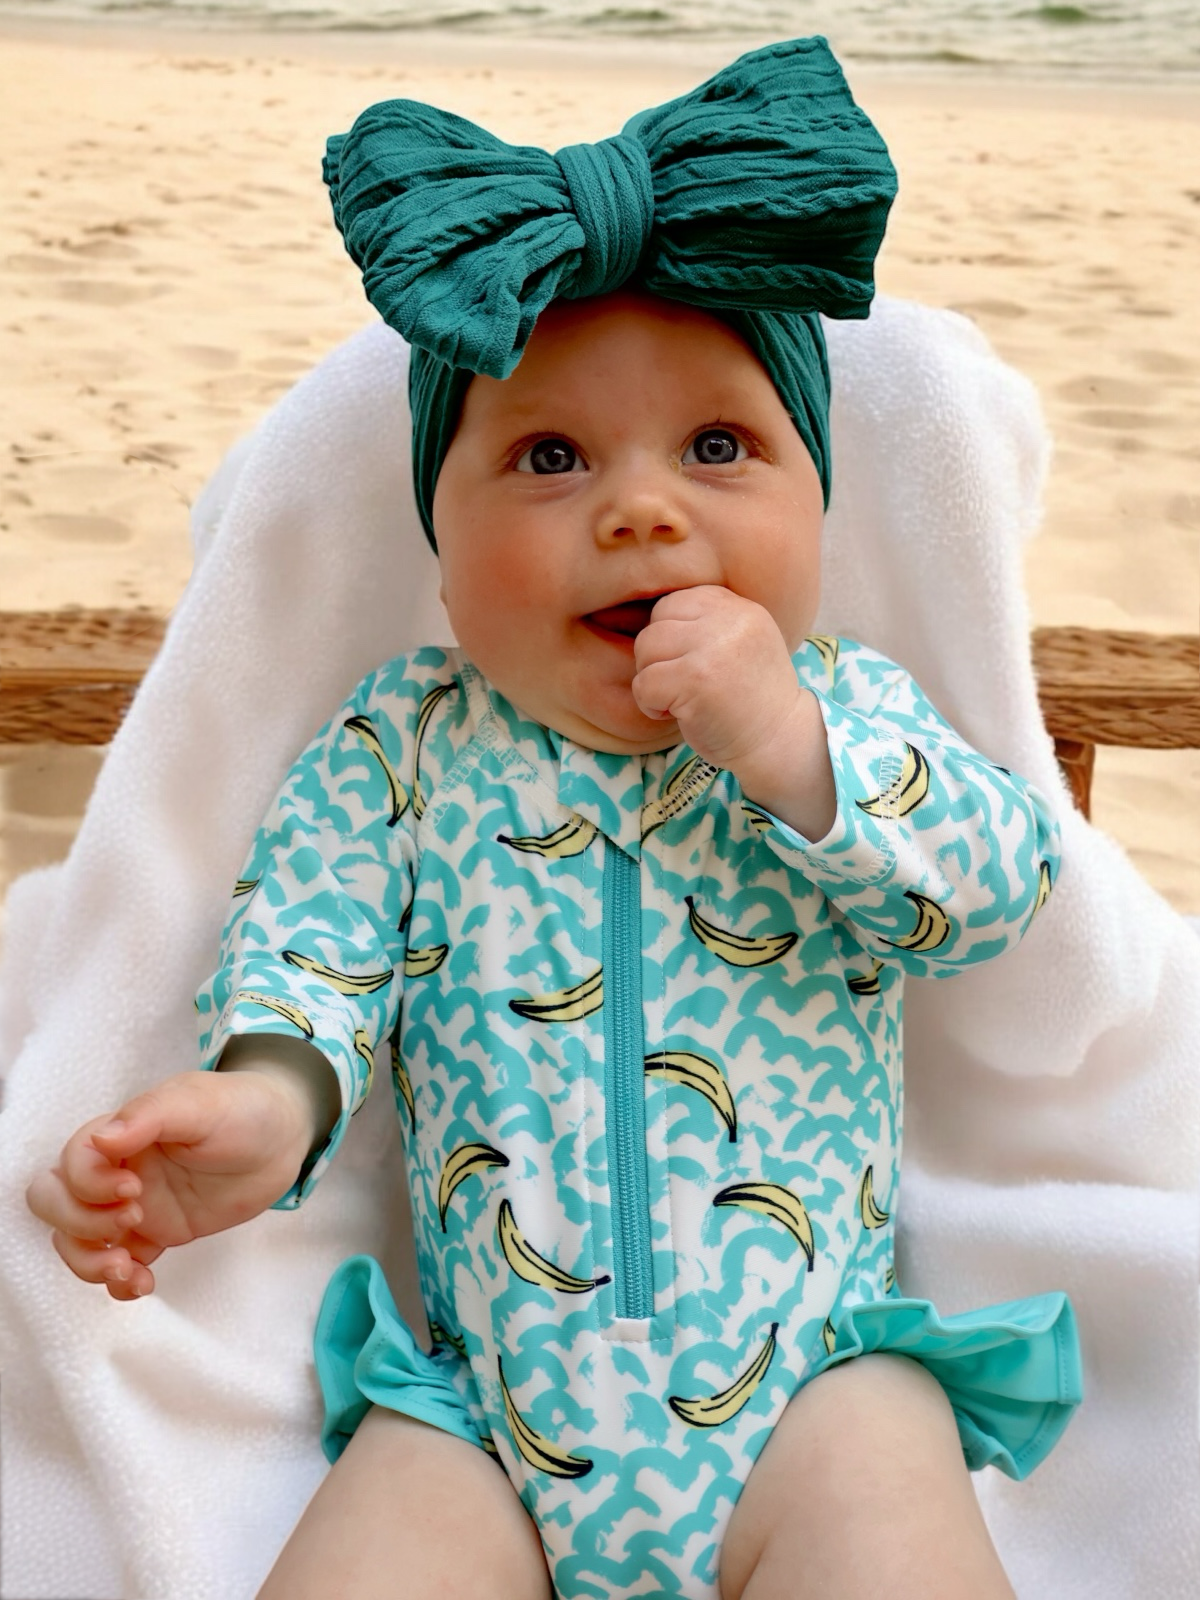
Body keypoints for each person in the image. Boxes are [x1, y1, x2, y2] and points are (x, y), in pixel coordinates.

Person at [25, 36, 1081, 1600]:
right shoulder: (405, 746)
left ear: (818, 507)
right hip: (481, 1427)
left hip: (809, 1395)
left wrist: (789, 747)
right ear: (438, 544)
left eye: (721, 449)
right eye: (549, 455)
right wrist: (263, 1103)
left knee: (892, 1518)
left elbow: (994, 892)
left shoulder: (844, 709)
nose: (641, 507)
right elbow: (307, 945)